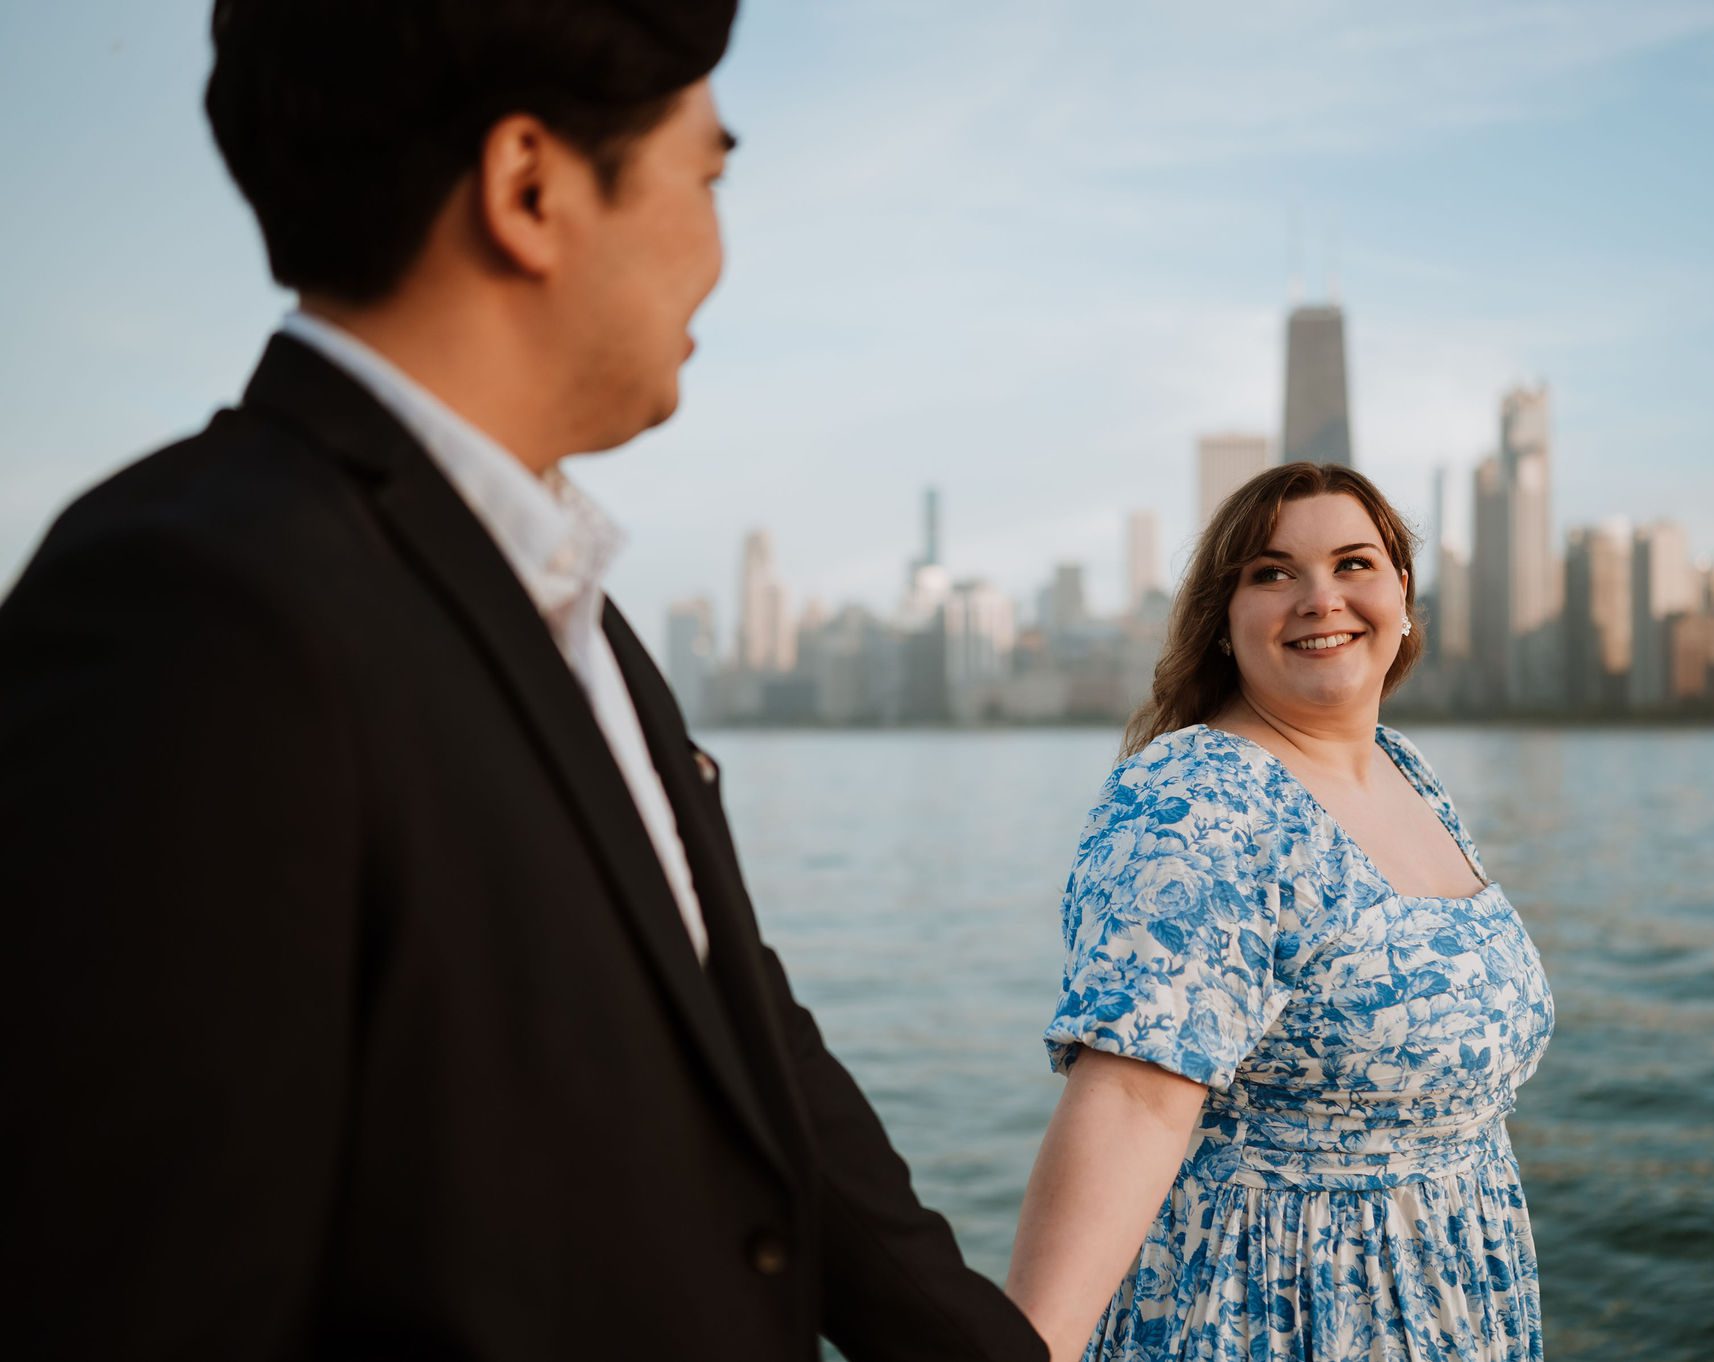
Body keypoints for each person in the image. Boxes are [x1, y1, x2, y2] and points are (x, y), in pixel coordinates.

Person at [0, 3, 1047, 1359]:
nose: (721, 253)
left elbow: (758, 1064)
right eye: (711, 177)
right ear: (532, 188)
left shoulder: (573, 615)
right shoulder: (197, 612)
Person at [1007, 462, 1556, 1361]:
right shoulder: (1200, 797)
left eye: (1353, 564)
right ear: (1224, 620)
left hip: (1452, 1305)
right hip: (1273, 1313)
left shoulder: (1402, 768)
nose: (1319, 598)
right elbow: (1133, 1107)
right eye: (1272, 573)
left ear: (1403, 594)